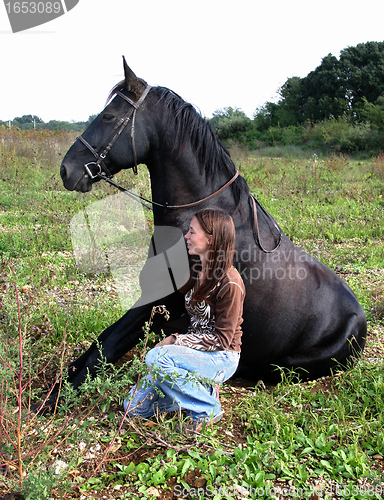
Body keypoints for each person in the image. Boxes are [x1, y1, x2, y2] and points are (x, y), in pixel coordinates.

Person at [123, 208, 245, 433]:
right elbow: (192, 319)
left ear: (210, 239)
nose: (186, 237)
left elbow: (223, 339)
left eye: (191, 232)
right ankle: (196, 391)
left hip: (221, 358)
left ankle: (207, 407)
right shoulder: (197, 270)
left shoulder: (230, 282)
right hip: (192, 356)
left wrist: (174, 340)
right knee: (133, 407)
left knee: (158, 359)